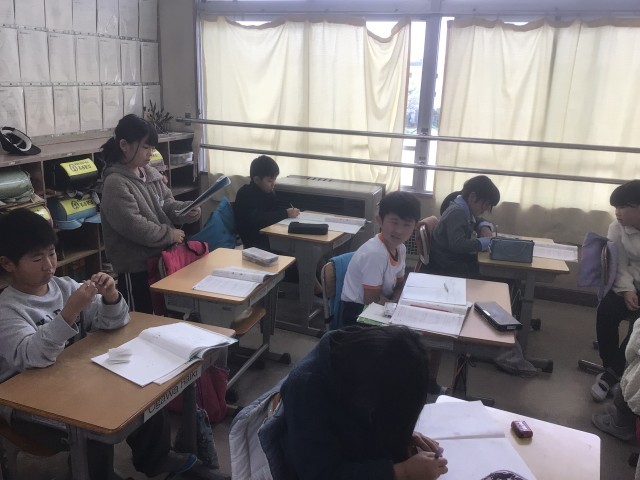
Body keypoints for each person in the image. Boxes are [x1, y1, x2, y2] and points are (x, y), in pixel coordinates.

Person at [0, 209, 197, 480]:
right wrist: (69, 312)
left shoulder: (65, 286)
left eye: (52, 253)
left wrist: (110, 297)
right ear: (8, 264)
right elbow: (32, 357)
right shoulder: (8, 310)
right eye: (37, 258)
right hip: (26, 405)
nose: (49, 265)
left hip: (72, 380)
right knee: (92, 428)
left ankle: (155, 458)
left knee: (142, 391)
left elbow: (115, 323)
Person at [278, 325, 448, 480]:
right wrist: (403, 471)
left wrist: (402, 434)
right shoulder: (306, 389)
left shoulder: (363, 357)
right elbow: (321, 474)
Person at [100, 114, 201, 313]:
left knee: (165, 315)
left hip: (161, 261)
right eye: (146, 147)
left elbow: (167, 204)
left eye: (152, 148)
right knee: (141, 319)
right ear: (124, 145)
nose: (150, 154)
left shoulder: (149, 173)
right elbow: (134, 226)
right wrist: (170, 234)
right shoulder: (115, 184)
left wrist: (187, 210)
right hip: (136, 269)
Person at [341, 191, 421, 326]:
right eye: (394, 222)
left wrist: (393, 303)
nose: (399, 230)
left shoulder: (400, 248)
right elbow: (371, 301)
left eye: (407, 224)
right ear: (380, 220)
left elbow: (399, 286)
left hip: (382, 305)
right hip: (359, 314)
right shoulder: (375, 254)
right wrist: (394, 305)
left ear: (415, 226)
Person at [592, 180, 640, 402]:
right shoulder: (616, 228)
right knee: (606, 311)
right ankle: (612, 368)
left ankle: (613, 374)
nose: (617, 212)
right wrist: (627, 290)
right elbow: (618, 265)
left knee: (638, 325)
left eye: (624, 207)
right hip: (627, 284)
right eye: (616, 207)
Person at [425, 175, 500, 279]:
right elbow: (458, 244)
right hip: (446, 265)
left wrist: (484, 227)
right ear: (472, 197)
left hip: (452, 260)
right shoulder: (457, 212)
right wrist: (486, 242)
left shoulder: (465, 209)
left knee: (489, 267)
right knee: (493, 273)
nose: (486, 209)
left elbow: (478, 220)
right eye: (486, 204)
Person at [233, 155, 300, 251]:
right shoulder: (245, 193)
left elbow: (274, 211)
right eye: (269, 181)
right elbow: (258, 219)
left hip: (270, 237)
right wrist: (285, 213)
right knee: (294, 252)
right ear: (256, 180)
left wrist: (288, 212)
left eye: (274, 179)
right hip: (255, 244)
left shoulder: (267, 192)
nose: (273, 184)